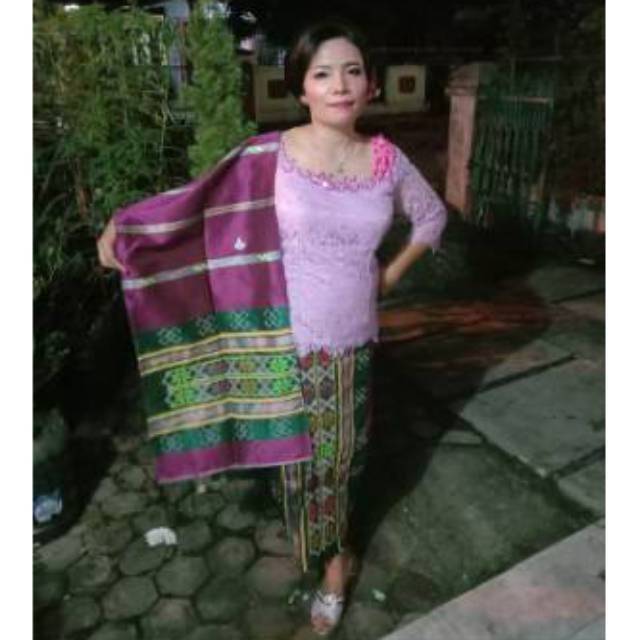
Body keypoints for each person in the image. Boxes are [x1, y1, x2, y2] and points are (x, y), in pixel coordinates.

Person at [98, 20, 446, 636]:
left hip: (349, 345)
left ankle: (335, 565)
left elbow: (432, 218)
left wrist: (386, 277)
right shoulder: (268, 157)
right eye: (323, 73)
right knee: (291, 464)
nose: (340, 85)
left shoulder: (387, 161)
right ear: (301, 88)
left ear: (370, 86)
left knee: (339, 463)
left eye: (353, 71)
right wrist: (127, 229)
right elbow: (198, 206)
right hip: (277, 341)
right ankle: (317, 540)